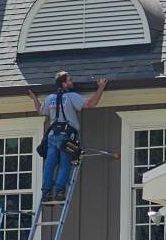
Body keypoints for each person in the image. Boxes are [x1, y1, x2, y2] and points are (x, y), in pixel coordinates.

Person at [28, 72, 108, 202]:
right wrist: (101, 87)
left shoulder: (50, 98)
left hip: (52, 136)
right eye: (70, 80)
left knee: (50, 165)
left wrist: (34, 99)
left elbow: (40, 111)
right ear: (64, 84)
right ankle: (59, 191)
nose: (72, 82)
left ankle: (46, 192)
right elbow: (91, 104)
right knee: (65, 164)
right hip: (66, 137)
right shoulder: (71, 96)